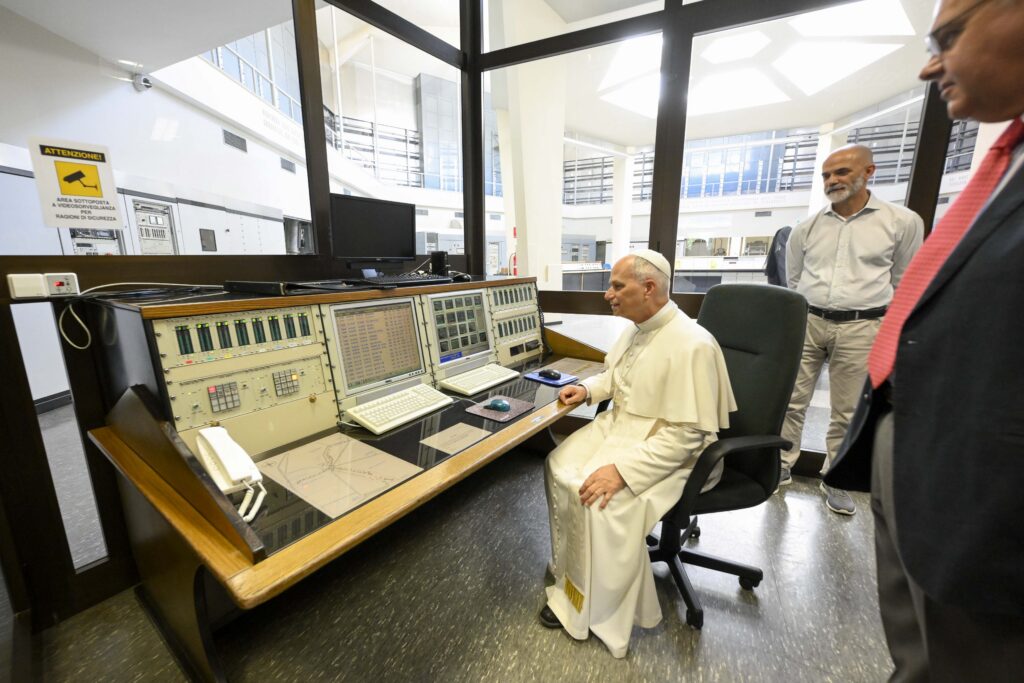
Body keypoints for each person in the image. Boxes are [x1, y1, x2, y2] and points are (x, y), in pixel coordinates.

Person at [825, 0, 1024, 678]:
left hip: (986, 492)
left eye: (950, 35)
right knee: (918, 648)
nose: (929, 64)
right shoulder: (1005, 162)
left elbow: (912, 277)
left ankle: (824, 480)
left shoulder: (899, 220)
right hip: (910, 434)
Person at [539, 249, 735, 658]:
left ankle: (594, 607)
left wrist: (623, 471)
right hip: (626, 428)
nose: (607, 294)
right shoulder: (638, 325)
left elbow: (686, 436)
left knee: (596, 496)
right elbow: (618, 374)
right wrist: (589, 390)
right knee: (557, 464)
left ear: (648, 289)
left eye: (616, 286)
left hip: (674, 453)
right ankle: (570, 571)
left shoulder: (693, 344)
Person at [780, 144, 923, 514]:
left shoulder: (901, 222)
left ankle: (834, 478)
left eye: (841, 172)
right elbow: (794, 278)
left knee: (846, 411)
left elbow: (904, 280)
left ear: (868, 172)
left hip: (863, 325)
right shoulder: (807, 228)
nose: (832, 181)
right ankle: (780, 466)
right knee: (792, 401)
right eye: (827, 175)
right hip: (809, 322)